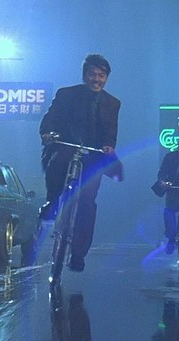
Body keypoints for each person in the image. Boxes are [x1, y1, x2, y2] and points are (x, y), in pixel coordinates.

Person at [39, 53, 122, 272]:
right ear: (84, 75)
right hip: (65, 145)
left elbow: (110, 131)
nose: (97, 79)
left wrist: (108, 146)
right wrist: (47, 133)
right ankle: (52, 203)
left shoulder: (113, 103)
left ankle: (78, 254)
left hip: (93, 154)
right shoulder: (66, 94)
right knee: (57, 165)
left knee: (87, 202)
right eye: (93, 74)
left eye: (101, 75)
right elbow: (51, 118)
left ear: (106, 78)